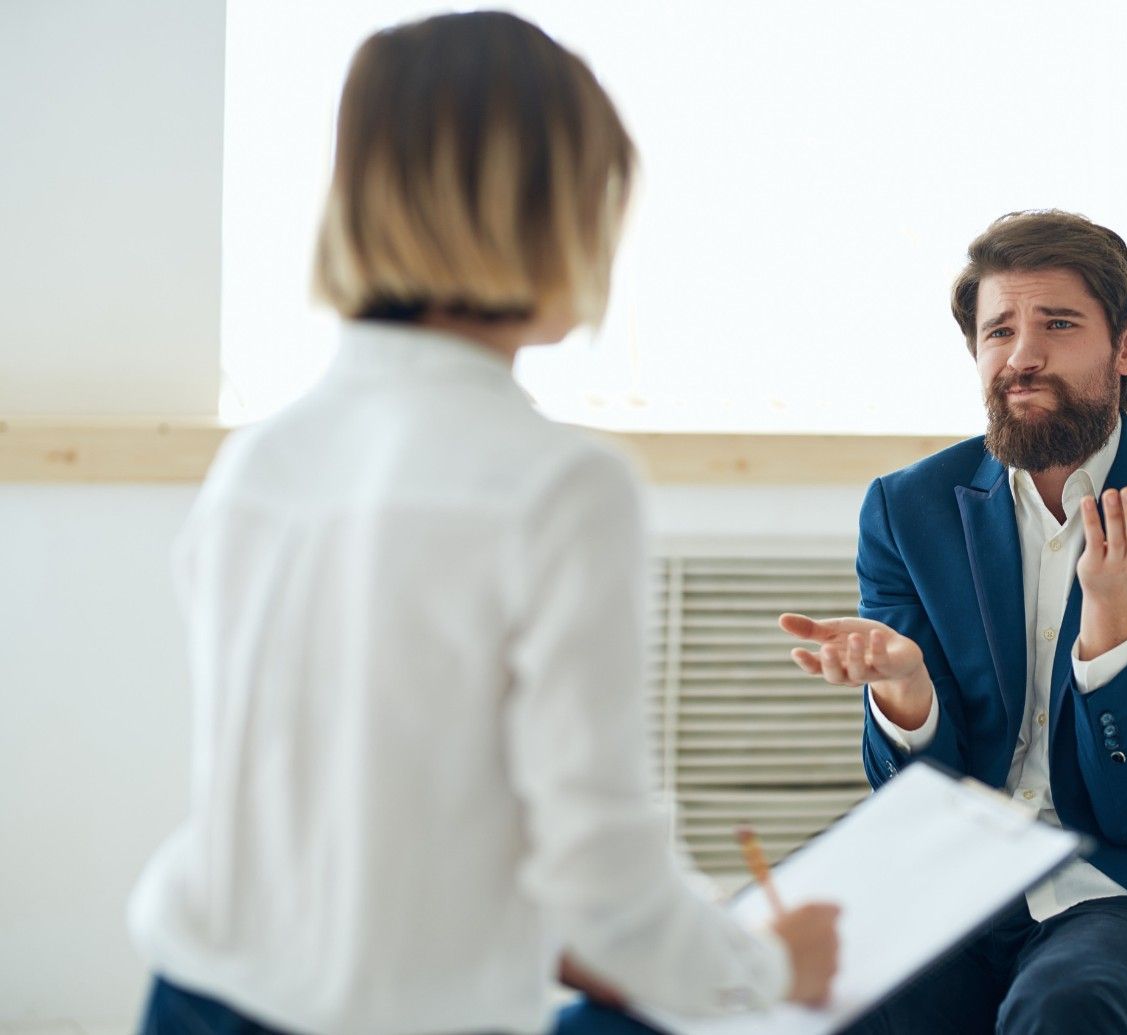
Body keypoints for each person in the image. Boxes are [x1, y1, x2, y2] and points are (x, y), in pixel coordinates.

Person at [126, 12, 838, 1035]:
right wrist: (768, 967)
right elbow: (601, 870)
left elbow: (352, 807)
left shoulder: (260, 464)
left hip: (191, 993)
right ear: (555, 213)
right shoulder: (563, 487)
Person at [779, 210, 1127, 1035]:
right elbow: (911, 800)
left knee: (1069, 1009)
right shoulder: (907, 510)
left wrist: (1114, 618)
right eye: (999, 330)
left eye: (1058, 325)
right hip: (953, 881)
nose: (1021, 356)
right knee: (825, 989)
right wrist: (907, 691)